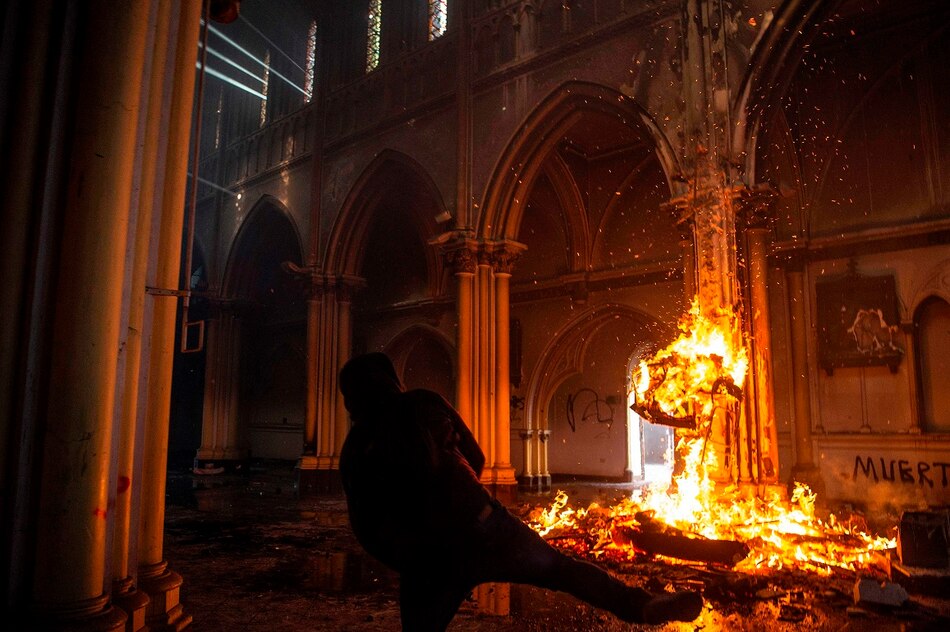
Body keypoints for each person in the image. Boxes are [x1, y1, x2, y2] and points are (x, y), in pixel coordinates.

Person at [338, 352, 704, 631]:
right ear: (390, 379)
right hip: (483, 525)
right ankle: (639, 605)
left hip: (426, 558)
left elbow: (366, 525)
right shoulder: (422, 402)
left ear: (351, 398)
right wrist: (467, 505)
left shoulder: (355, 447)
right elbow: (476, 457)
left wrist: (413, 558)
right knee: (561, 569)